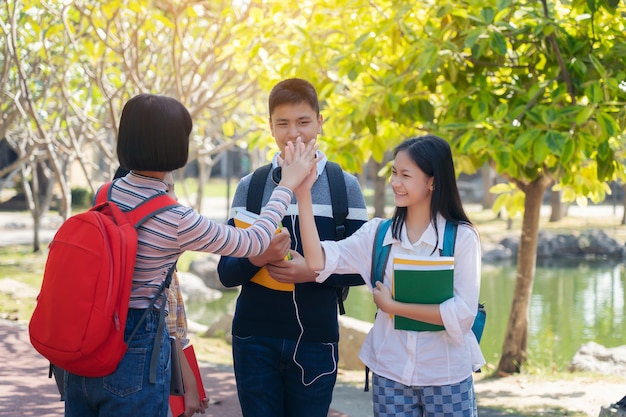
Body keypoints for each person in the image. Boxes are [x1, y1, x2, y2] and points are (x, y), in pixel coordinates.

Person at [63, 93, 318, 417]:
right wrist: (287, 185)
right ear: (175, 148)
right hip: (132, 350)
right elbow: (253, 241)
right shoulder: (176, 219)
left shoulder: (105, 193)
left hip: (84, 344)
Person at [296, 135, 485, 417]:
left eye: (406, 175)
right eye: (394, 173)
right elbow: (316, 260)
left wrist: (393, 307)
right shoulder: (377, 234)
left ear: (432, 181)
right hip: (390, 372)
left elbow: (462, 314)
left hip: (446, 375)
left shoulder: (462, 238)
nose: (395, 182)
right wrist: (303, 195)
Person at [217, 78, 368, 417]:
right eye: (283, 123)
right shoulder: (251, 187)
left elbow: (365, 270)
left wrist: (314, 271)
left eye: (303, 122)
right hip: (253, 340)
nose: (294, 133)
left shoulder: (345, 187)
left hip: (317, 340)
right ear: (270, 127)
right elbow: (226, 273)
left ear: (320, 123)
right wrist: (258, 258)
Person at [113, 166, 208, 417]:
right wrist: (189, 384)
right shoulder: (157, 262)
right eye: (168, 189)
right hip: (153, 367)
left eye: (173, 189)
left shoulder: (115, 245)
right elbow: (168, 329)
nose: (174, 198)